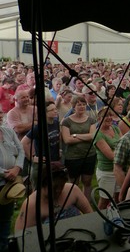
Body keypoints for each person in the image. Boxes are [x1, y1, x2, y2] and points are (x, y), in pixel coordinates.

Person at [15, 162, 92, 230]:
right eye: (54, 187)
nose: (58, 190)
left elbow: (91, 215)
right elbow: (21, 235)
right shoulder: (31, 204)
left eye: (61, 186)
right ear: (43, 184)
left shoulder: (72, 190)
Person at [60, 96, 97, 200]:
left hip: (89, 155)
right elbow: (67, 140)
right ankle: (75, 202)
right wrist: (86, 136)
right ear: (73, 106)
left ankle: (87, 202)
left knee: (87, 181)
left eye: (84, 104)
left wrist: (75, 135)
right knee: (74, 183)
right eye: (79, 104)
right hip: (73, 157)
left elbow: (92, 136)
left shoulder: (91, 120)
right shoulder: (67, 121)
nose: (82, 107)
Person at [21, 101, 61, 189]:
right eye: (51, 110)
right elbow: (24, 142)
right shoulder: (38, 127)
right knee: (39, 190)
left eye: (55, 109)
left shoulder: (56, 123)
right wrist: (31, 158)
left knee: (54, 188)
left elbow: (57, 137)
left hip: (55, 161)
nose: (55, 111)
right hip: (42, 164)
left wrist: (59, 150)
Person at [0, 108, 24, 251]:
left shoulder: (8, 131)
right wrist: (4, 173)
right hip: (4, 179)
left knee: (6, 216)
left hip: (10, 184)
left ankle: (4, 244)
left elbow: (20, 149)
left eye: (0, 114)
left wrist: (17, 168)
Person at [94, 107, 122, 209]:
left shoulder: (115, 128)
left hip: (118, 169)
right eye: (105, 116)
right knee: (105, 200)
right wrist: (119, 151)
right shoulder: (98, 135)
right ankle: (99, 219)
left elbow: (123, 145)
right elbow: (110, 156)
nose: (109, 117)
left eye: (110, 115)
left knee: (119, 197)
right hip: (106, 172)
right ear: (99, 119)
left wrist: (117, 150)